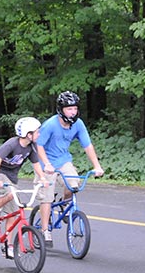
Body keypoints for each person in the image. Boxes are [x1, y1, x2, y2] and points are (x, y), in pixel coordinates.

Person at [36, 91, 104, 247]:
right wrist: (46, 164)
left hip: (63, 161)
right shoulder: (50, 124)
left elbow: (87, 145)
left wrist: (97, 166)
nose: (73, 112)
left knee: (73, 185)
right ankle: (45, 230)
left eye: (74, 108)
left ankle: (64, 204)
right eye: (69, 109)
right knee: (46, 197)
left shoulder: (78, 124)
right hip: (46, 164)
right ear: (61, 109)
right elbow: (38, 145)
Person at [0, 117, 48, 258]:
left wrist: (42, 177)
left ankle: (8, 245)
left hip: (12, 176)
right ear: (28, 134)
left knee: (13, 212)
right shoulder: (12, 144)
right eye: (37, 132)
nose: (39, 134)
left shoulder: (30, 147)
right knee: (10, 194)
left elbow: (36, 164)